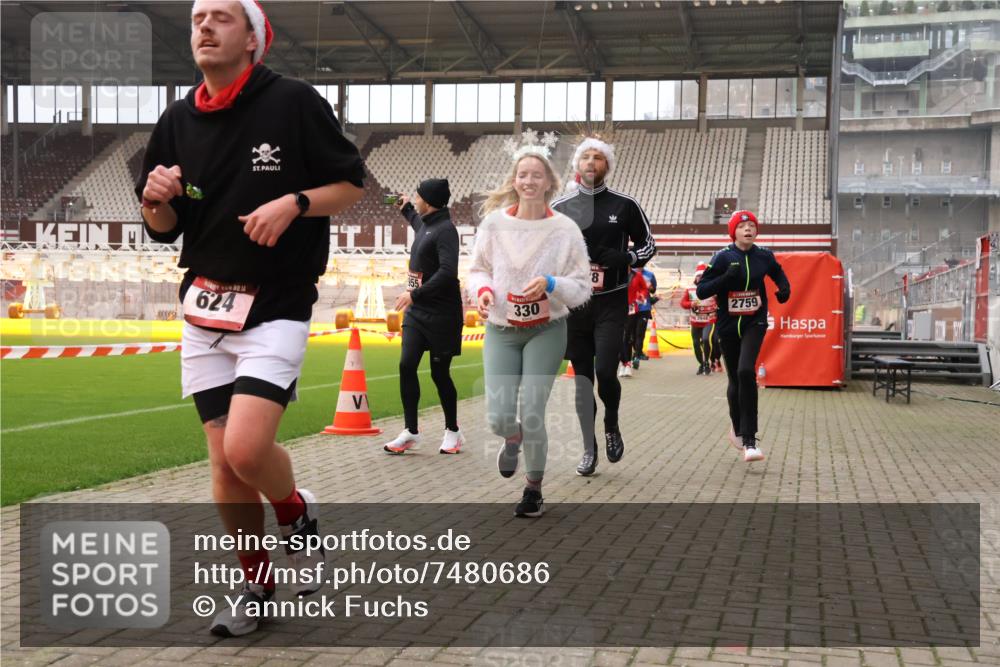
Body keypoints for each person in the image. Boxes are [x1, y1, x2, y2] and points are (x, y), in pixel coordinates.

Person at [136, 0, 365, 636]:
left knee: (245, 449)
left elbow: (350, 184)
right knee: (222, 462)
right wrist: (157, 203)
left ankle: (296, 513)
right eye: (197, 18)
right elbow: (164, 228)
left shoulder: (292, 101)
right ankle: (257, 588)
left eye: (221, 18)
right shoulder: (177, 118)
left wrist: (293, 202)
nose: (204, 28)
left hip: (277, 303)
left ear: (253, 37)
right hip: (204, 306)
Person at [466, 146, 591, 517]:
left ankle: (533, 488)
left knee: (533, 410)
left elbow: (582, 286)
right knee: (499, 417)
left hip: (546, 329)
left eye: (537, 175)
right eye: (523, 174)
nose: (529, 181)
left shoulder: (565, 229)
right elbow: (478, 269)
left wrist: (552, 283)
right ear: (514, 180)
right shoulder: (494, 224)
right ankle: (512, 436)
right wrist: (484, 291)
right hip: (502, 329)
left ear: (549, 182)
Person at [552, 137, 656, 477]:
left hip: (612, 302)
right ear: (577, 165)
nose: (591, 162)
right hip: (576, 306)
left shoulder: (624, 205)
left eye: (598, 157)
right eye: (586, 157)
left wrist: (626, 257)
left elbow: (649, 243)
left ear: (607, 166)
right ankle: (588, 447)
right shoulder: (562, 207)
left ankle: (611, 425)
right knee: (582, 382)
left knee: (606, 372)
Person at [696, 211, 790, 463]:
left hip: (754, 322)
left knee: (746, 371)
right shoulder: (723, 257)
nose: (748, 229)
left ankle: (750, 440)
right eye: (743, 226)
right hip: (728, 325)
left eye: (752, 226)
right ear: (733, 232)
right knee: (735, 379)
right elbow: (702, 289)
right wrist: (726, 278)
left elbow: (778, 273)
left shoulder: (764, 256)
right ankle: (737, 426)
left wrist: (784, 288)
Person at [383, 179, 465, 455]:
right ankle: (410, 431)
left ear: (428, 201)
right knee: (407, 365)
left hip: (442, 314)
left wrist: (414, 295)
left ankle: (453, 430)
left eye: (417, 197)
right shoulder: (427, 225)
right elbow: (416, 221)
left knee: (440, 373)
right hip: (417, 314)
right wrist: (404, 206)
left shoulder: (446, 231)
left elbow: (447, 272)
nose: (416, 200)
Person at [680, 262, 718, 375]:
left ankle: (707, 362)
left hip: (709, 320)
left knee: (706, 339)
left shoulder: (712, 288)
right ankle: (701, 364)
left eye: (702, 276)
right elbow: (682, 303)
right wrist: (691, 304)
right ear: (695, 277)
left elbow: (721, 301)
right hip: (695, 322)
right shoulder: (690, 289)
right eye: (698, 276)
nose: (700, 278)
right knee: (696, 343)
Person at [618, 269, 649, 378]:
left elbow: (644, 288)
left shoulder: (637, 275)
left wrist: (641, 295)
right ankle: (622, 362)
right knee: (618, 336)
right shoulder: (615, 271)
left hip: (631, 308)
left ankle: (627, 364)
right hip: (616, 308)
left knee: (626, 336)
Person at [631, 267, 658, 368]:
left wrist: (651, 288)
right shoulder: (629, 272)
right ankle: (634, 353)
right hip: (631, 308)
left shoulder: (650, 274)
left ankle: (637, 356)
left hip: (644, 308)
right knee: (631, 334)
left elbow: (653, 289)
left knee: (640, 333)